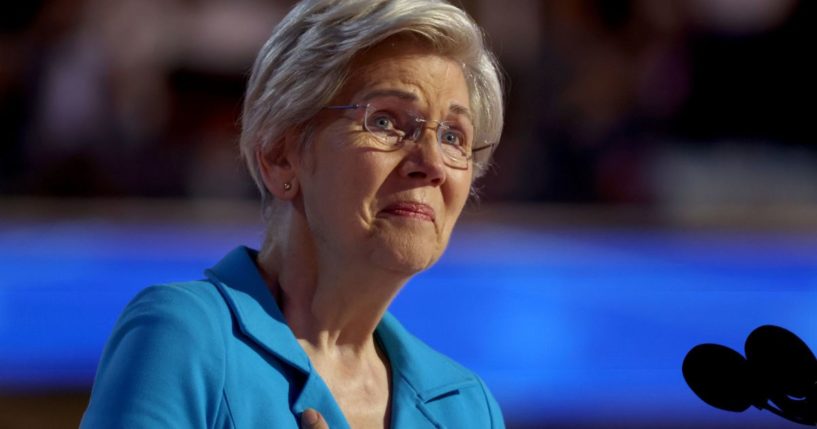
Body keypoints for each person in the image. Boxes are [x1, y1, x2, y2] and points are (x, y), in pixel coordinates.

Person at [80, 0, 505, 427]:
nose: (431, 163)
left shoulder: (466, 407)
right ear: (280, 156)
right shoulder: (184, 337)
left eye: (454, 135)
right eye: (385, 122)